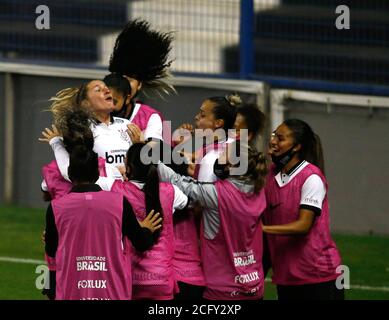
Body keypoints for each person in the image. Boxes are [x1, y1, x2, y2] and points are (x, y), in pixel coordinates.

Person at [47, 141, 189, 300]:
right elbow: (187, 202)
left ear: (128, 168)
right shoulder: (170, 192)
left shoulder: (116, 191)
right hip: (161, 278)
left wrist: (56, 143)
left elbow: (52, 250)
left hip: (125, 279)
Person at [157, 142, 268, 300]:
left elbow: (176, 180)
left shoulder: (216, 194)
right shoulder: (259, 191)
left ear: (230, 166)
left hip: (222, 291)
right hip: (254, 285)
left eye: (223, 154)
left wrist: (149, 158)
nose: (218, 157)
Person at [262, 119, 343, 300]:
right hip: (286, 276)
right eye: (274, 135)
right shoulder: (270, 175)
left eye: (280, 138)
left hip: (319, 276)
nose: (273, 140)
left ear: (297, 146)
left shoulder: (311, 177)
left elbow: (303, 225)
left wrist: (263, 229)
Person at [49, 80, 133, 167]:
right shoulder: (81, 130)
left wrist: (139, 143)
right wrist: (114, 172)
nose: (107, 91)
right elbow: (76, 170)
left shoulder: (127, 124)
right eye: (98, 90)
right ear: (86, 103)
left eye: (106, 88)